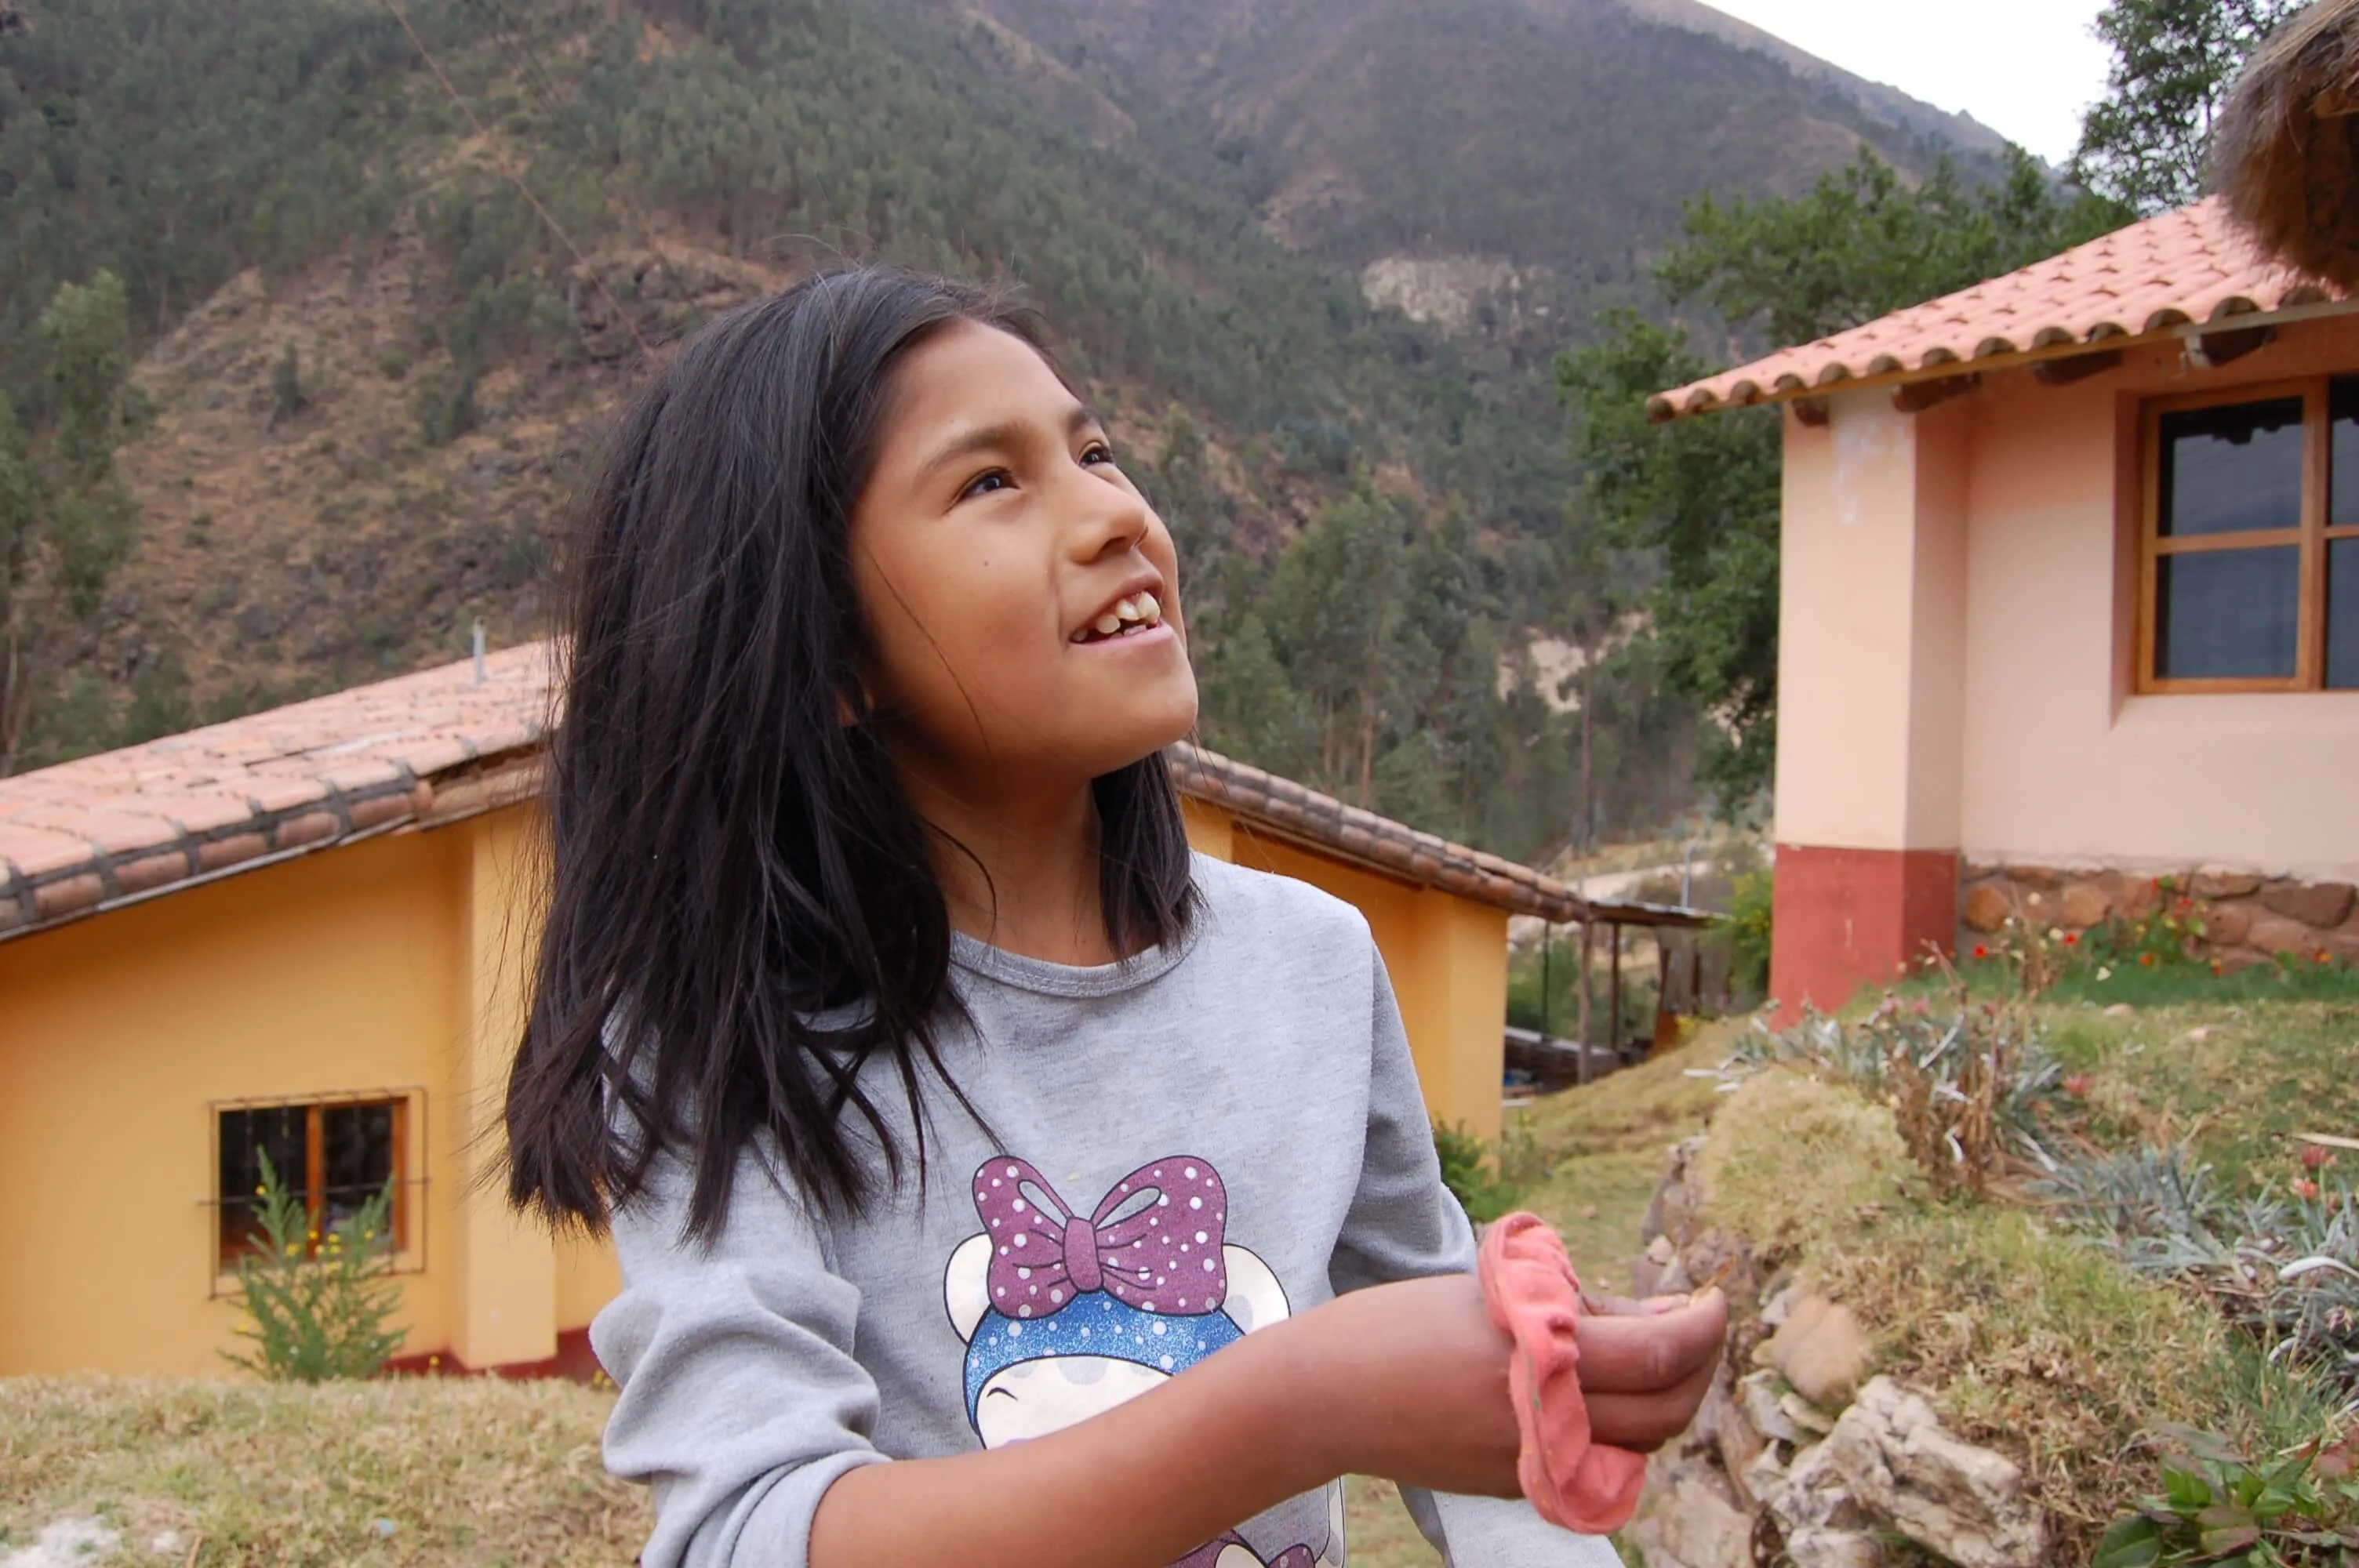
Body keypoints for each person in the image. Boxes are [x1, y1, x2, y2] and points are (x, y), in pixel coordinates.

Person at [503, 267, 1728, 1568]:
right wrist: (1297, 1404)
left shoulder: (1312, 962)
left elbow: (1461, 1406)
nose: (1114, 516)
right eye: (991, 482)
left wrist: (1526, 1423)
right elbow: (747, 1532)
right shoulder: (727, 1034)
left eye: (1095, 451)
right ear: (831, 653)